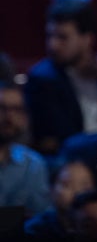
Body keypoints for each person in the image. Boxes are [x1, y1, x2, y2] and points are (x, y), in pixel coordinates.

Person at [24, 0, 97, 156]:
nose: (53, 45)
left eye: (62, 37)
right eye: (50, 36)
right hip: (77, 158)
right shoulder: (43, 80)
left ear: (87, 39)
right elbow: (58, 142)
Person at [0, 81, 51, 217]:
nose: (9, 117)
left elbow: (38, 217)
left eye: (17, 109)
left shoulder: (33, 164)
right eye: (2, 108)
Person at [24, 160, 97, 241]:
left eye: (85, 185)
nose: (77, 191)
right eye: (67, 184)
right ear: (51, 189)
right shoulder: (33, 231)